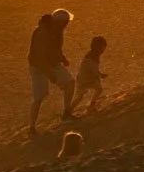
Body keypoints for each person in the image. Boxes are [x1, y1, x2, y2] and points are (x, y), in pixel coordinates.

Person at [26, 8, 76, 137]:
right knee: (40, 96)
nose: (66, 25)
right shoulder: (42, 32)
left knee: (70, 82)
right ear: (58, 22)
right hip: (38, 67)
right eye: (65, 23)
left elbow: (56, 49)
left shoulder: (58, 32)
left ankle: (66, 113)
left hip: (53, 64)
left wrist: (63, 58)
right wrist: (50, 74)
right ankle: (31, 127)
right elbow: (39, 58)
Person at [71, 35, 109, 115]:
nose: (103, 50)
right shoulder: (91, 57)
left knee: (96, 90)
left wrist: (99, 75)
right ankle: (69, 110)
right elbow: (93, 69)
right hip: (84, 79)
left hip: (86, 79)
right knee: (80, 96)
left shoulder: (94, 55)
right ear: (97, 47)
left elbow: (93, 69)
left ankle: (89, 106)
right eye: (102, 48)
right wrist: (100, 75)